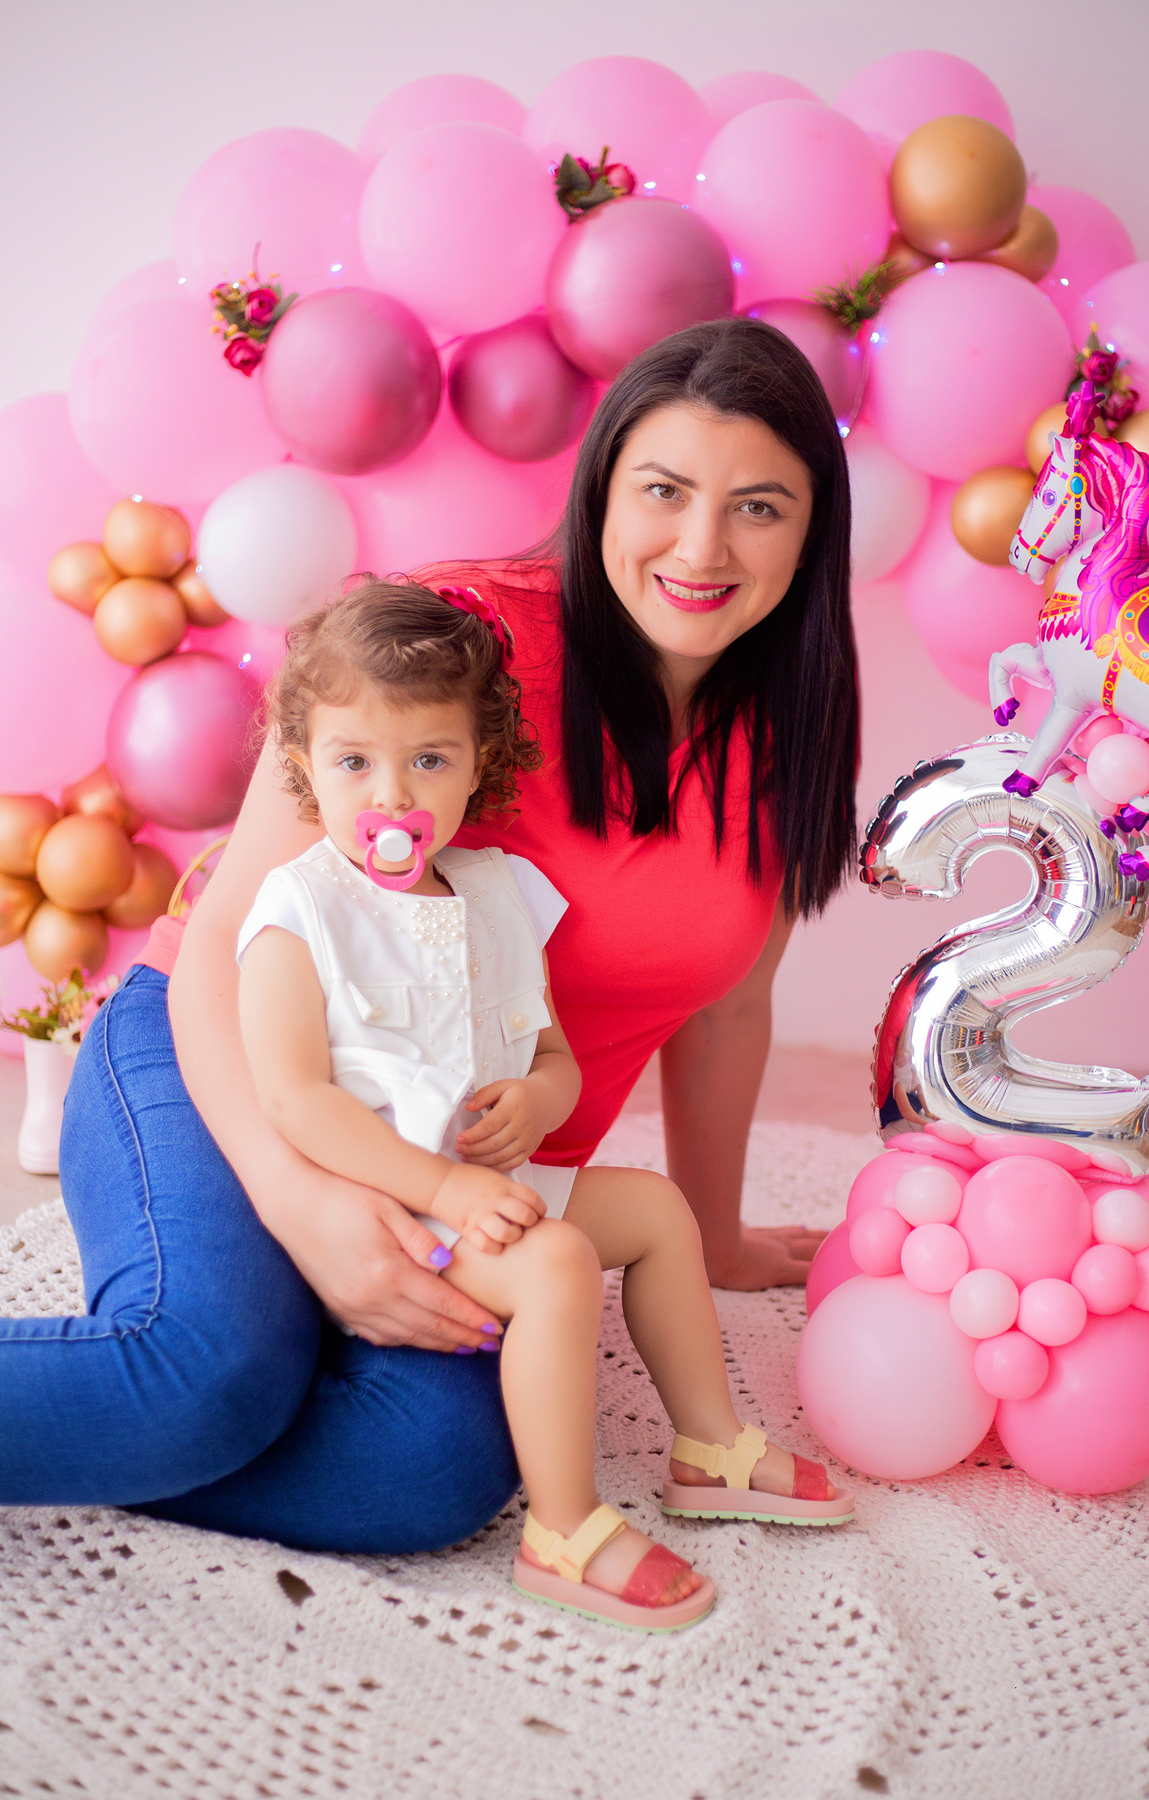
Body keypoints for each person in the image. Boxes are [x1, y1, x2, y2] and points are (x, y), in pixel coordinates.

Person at [0, 318, 858, 1553]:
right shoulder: (457, 645)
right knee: (205, 1375)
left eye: (760, 507)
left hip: (466, 1176)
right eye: (664, 491)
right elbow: (227, 950)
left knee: (428, 1473)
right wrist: (303, 1206)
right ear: (602, 487)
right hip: (224, 1063)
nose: (702, 547)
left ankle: (153, 1418)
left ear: (810, 532)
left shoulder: (789, 739)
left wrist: (710, 1237)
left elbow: (723, 1006)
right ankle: (183, 1391)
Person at [236, 578, 852, 1628]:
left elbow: (555, 1053)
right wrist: (444, 1185)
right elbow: (296, 1101)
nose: (393, 794)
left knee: (657, 1215)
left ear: (482, 765)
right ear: (305, 768)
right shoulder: (302, 909)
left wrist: (535, 1096)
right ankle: (565, 1528)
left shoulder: (493, 892)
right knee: (562, 1262)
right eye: (354, 763)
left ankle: (706, 1441)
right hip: (397, 1200)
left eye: (428, 760)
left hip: (494, 1181)